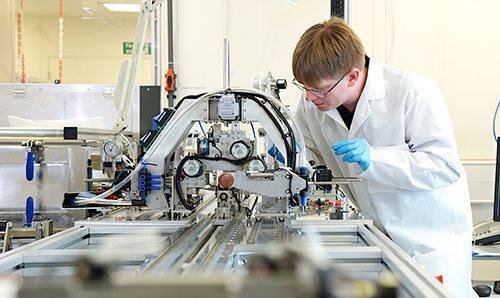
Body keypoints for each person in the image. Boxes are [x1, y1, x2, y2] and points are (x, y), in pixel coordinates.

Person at [292, 17, 473, 298]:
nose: (308, 98)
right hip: (374, 238)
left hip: (426, 242)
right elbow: (306, 154)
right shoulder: (313, 106)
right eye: (304, 87)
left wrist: (376, 160)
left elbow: (444, 167)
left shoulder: (413, 92)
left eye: (318, 89)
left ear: (352, 76)